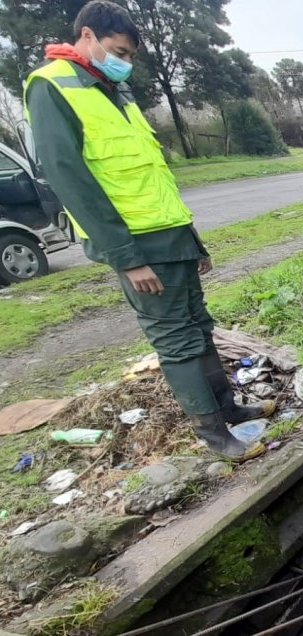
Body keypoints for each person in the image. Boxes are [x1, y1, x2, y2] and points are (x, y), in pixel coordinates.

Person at [23, 1, 272, 461]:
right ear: (88, 37)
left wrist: (192, 241)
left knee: (199, 328)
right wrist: (127, 257)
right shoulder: (52, 87)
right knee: (175, 338)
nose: (126, 62)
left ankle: (228, 410)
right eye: (120, 51)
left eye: (132, 55)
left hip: (171, 237)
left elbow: (152, 178)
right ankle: (214, 435)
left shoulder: (112, 93)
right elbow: (70, 180)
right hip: (138, 248)